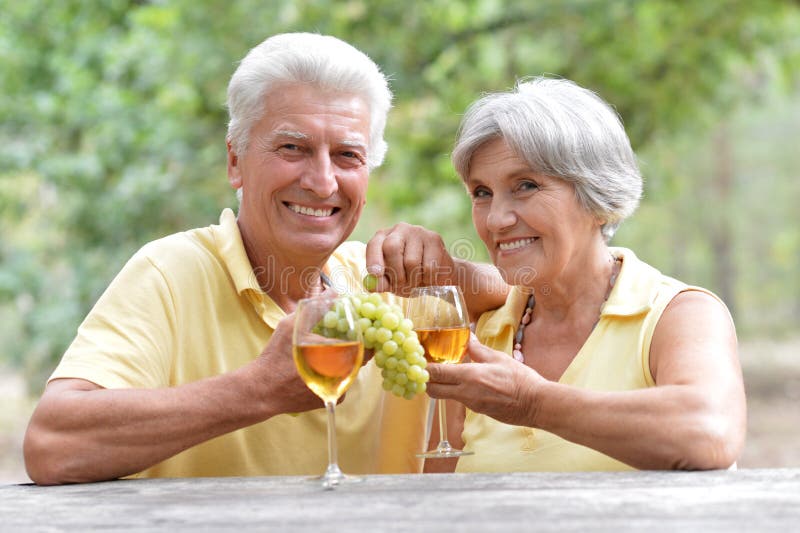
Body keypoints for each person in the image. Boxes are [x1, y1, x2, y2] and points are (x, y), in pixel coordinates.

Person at [23, 32, 506, 485]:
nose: (322, 182)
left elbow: (518, 292)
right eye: (293, 148)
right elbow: (52, 443)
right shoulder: (170, 272)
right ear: (235, 161)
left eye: (347, 156)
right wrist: (256, 391)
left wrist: (452, 271)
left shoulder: (381, 281)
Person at [372, 77, 746, 472]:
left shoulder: (677, 314)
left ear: (598, 198)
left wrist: (532, 402)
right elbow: (440, 502)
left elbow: (709, 431)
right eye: (482, 192)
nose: (497, 219)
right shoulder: (482, 334)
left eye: (526, 186)